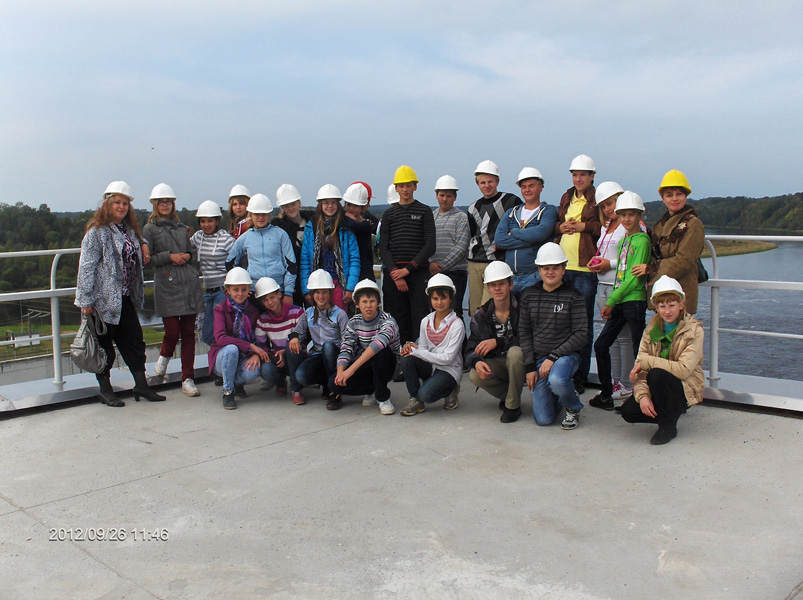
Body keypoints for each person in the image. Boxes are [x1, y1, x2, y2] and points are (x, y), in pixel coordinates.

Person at [75, 181, 165, 407]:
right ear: (107, 204)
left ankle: (141, 386)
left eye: (125, 203)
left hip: (124, 299)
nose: (121, 207)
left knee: (134, 342)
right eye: (117, 202)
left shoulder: (129, 230)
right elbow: (86, 267)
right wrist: (85, 300)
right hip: (102, 302)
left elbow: (135, 242)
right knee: (104, 347)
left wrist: (144, 243)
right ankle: (106, 390)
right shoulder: (96, 232)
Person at [620, 276, 704, 445]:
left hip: (684, 387)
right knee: (628, 412)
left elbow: (683, 370)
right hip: (656, 386)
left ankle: (668, 427)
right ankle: (669, 413)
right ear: (656, 308)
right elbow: (640, 371)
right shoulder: (650, 330)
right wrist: (643, 396)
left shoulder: (694, 331)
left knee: (657, 374)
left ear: (681, 305)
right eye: (662, 306)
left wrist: (648, 361)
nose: (667, 311)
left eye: (672, 305)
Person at [590, 192, 651, 411]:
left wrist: (612, 300)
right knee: (601, 345)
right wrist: (615, 300)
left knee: (638, 350)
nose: (626, 219)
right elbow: (621, 274)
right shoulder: (626, 240)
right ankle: (607, 394)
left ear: (639, 216)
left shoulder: (642, 241)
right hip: (621, 301)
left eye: (631, 215)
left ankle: (640, 396)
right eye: (623, 215)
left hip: (634, 302)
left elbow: (634, 279)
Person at [142, 184, 205, 396]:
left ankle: (188, 378)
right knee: (172, 331)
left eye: (168, 202)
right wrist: (169, 257)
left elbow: (190, 251)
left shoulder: (181, 227)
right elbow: (147, 259)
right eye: (161, 202)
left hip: (188, 284)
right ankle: (164, 358)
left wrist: (187, 255)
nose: (165, 205)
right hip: (167, 285)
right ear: (155, 204)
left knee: (188, 333)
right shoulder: (150, 229)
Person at [519, 243, 588, 429]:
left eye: (555, 267)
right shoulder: (528, 295)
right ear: (539, 270)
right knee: (544, 419)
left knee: (557, 380)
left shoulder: (573, 296)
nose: (550, 272)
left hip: (565, 357)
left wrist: (554, 356)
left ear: (564, 269)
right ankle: (564, 393)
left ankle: (573, 406)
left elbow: (581, 334)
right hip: (539, 360)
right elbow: (524, 332)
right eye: (546, 268)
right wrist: (530, 367)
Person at [554, 154, 601, 394]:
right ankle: (563, 372)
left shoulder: (597, 199)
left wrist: (585, 226)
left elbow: (605, 226)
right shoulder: (566, 197)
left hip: (584, 269)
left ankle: (580, 376)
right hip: (563, 268)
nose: (578, 179)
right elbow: (556, 225)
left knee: (583, 326)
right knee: (562, 324)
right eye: (575, 175)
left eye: (583, 174)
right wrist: (560, 227)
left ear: (592, 176)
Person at [632, 170, 705, 315]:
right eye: (669, 195)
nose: (675, 199)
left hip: (680, 294)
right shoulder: (661, 225)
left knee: (681, 329)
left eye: (679, 194)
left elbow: (684, 260)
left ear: (686, 196)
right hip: (661, 294)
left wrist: (651, 269)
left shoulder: (693, 224)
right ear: (663, 198)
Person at [378, 166, 436, 345]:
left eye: (409, 185)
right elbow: (383, 247)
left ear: (415, 186)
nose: (405, 189)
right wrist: (396, 273)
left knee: (420, 317)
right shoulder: (389, 214)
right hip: (394, 275)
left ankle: (420, 356)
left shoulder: (425, 211)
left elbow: (430, 246)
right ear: (396, 188)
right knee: (396, 319)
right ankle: (399, 357)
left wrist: (408, 269)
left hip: (417, 273)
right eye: (401, 186)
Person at [586, 181, 633, 401]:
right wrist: (596, 261)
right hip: (603, 286)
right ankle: (615, 381)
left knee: (623, 338)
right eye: (603, 206)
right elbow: (607, 254)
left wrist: (608, 264)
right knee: (610, 338)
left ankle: (627, 384)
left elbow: (632, 259)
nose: (607, 209)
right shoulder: (606, 227)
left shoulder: (628, 227)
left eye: (610, 203)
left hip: (619, 288)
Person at [328, 279, 400, 413]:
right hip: (367, 364)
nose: (368, 306)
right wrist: (341, 372)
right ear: (357, 304)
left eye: (372, 301)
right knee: (333, 384)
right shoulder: (353, 322)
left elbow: (379, 343)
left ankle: (383, 397)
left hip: (389, 365)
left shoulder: (388, 320)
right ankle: (371, 390)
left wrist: (351, 370)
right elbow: (346, 348)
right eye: (364, 302)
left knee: (380, 351)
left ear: (378, 302)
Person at [466, 261, 525, 424]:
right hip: (499, 363)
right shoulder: (481, 315)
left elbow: (528, 340)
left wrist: (497, 342)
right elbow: (470, 348)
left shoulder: (523, 308)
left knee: (515, 353)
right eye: (493, 285)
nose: (497, 289)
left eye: (502, 284)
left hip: (523, 363)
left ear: (510, 285)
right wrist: (476, 361)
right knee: (474, 375)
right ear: (488, 288)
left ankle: (512, 407)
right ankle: (510, 396)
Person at [399, 274, 465, 416]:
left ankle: (451, 388)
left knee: (426, 395)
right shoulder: (426, 321)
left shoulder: (457, 324)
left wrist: (416, 351)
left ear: (451, 298)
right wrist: (411, 348)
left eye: (443, 298)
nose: (439, 302)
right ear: (430, 299)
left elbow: (447, 358)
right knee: (406, 357)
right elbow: (422, 348)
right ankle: (415, 400)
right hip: (431, 366)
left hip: (449, 369)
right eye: (435, 298)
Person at [466, 160, 522, 316]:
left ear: (497, 181)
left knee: (489, 308)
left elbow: (521, 224)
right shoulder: (472, 208)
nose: (487, 185)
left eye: (490, 181)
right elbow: (472, 234)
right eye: (483, 182)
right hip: (474, 262)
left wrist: (508, 237)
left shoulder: (511, 201)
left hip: (496, 262)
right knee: (475, 309)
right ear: (478, 184)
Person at [287, 269, 349, 406]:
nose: (320, 296)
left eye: (324, 292)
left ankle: (335, 391)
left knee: (328, 346)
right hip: (317, 355)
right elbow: (298, 331)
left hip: (335, 356)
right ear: (312, 294)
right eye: (317, 292)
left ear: (330, 293)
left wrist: (344, 363)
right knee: (301, 375)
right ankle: (325, 383)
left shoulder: (340, 314)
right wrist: (295, 337)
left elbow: (348, 340)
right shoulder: (309, 313)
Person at [208, 268, 267, 410]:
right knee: (232, 349)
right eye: (235, 290)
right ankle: (228, 392)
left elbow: (259, 336)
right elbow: (220, 338)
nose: (240, 294)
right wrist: (249, 346)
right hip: (223, 356)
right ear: (228, 290)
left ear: (249, 291)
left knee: (253, 371)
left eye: (243, 290)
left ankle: (237, 383)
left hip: (244, 356)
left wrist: (255, 354)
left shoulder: (253, 311)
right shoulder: (220, 310)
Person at [493, 167, 558, 296]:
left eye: (531, 186)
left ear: (541, 187)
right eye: (524, 187)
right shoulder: (512, 212)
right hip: (511, 277)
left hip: (534, 276)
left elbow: (540, 233)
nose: (527, 190)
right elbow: (499, 239)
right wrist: (532, 241)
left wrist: (514, 232)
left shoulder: (547, 211)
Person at [226, 193, 297, 305]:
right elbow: (230, 263)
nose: (260, 217)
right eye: (256, 214)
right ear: (250, 214)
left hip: (277, 290)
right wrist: (241, 287)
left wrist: (288, 292)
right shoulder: (245, 238)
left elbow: (291, 265)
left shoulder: (280, 234)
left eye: (264, 214)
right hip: (254, 292)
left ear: (269, 214)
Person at [300, 184, 360, 311]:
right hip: (317, 285)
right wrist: (306, 289)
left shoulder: (345, 226)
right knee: (318, 320)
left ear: (338, 204)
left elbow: (354, 259)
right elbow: (305, 260)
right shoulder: (312, 227)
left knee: (339, 319)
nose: (330, 206)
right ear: (320, 205)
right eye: (326, 203)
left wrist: (350, 288)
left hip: (339, 285)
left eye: (333, 202)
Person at [190, 200, 235, 347]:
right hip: (207, 290)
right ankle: (217, 354)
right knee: (205, 332)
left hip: (223, 291)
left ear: (217, 221)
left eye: (210, 221)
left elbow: (238, 261)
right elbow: (186, 248)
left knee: (221, 330)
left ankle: (222, 356)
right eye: (203, 221)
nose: (206, 225)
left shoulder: (226, 239)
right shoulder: (198, 237)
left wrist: (231, 285)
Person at [254, 276, 304, 398]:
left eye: (272, 297)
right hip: (277, 358)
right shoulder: (263, 319)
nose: (270, 302)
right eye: (265, 300)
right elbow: (261, 344)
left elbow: (303, 338)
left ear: (279, 294)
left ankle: (296, 389)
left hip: (296, 355)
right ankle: (280, 383)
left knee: (292, 346)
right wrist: (273, 356)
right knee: (266, 370)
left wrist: (285, 351)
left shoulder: (297, 312)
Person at [430, 175, 469, 320]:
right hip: (433, 273)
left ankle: (458, 336)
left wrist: (441, 266)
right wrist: (429, 263)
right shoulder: (431, 217)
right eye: (442, 195)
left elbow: (462, 246)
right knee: (435, 313)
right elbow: (425, 243)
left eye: (449, 196)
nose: (445, 199)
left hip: (455, 273)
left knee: (454, 313)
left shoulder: (461, 217)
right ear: (436, 195)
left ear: (455, 197)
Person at [272, 184, 313, 307]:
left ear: (299, 203)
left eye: (293, 204)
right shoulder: (279, 226)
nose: (290, 208)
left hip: (312, 275)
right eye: (286, 206)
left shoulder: (313, 221)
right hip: (291, 280)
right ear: (282, 208)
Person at [342, 182, 377, 282]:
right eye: (349, 204)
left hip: (364, 271)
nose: (351, 209)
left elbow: (353, 225)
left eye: (356, 205)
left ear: (362, 207)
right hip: (346, 269)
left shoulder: (365, 224)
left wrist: (344, 215)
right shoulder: (342, 219)